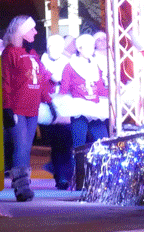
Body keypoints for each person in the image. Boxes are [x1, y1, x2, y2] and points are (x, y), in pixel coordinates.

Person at [2, 16, 53, 201]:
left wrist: (48, 101)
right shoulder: (10, 53)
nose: (36, 32)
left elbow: (40, 81)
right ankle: (21, 188)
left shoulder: (33, 54)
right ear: (22, 31)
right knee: (21, 146)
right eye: (32, 29)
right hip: (16, 107)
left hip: (32, 108)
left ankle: (24, 184)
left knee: (26, 146)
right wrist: (6, 107)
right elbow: (5, 82)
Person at [62, 34, 110, 157]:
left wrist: (114, 94)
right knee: (79, 146)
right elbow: (64, 89)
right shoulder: (70, 66)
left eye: (92, 47)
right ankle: (78, 174)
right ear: (79, 48)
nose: (91, 50)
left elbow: (100, 89)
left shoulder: (95, 65)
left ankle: (101, 171)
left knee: (104, 142)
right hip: (79, 109)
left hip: (95, 108)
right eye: (87, 47)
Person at [39, 33, 75, 189]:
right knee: (56, 142)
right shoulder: (42, 61)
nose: (56, 49)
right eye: (53, 46)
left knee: (65, 141)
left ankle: (62, 175)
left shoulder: (68, 62)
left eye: (59, 46)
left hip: (65, 104)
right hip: (48, 105)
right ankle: (59, 173)